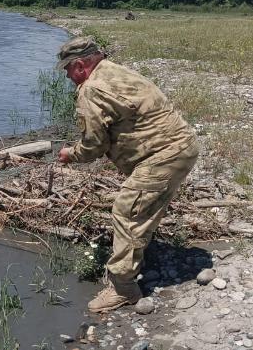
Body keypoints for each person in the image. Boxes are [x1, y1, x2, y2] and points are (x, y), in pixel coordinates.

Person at [55, 36, 199, 313]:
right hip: (182, 146)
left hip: (164, 156)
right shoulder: (113, 70)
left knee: (127, 211)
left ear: (81, 65)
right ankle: (138, 257)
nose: (67, 76)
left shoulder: (91, 90)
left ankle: (123, 288)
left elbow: (94, 145)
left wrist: (70, 154)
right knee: (142, 207)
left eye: (68, 69)